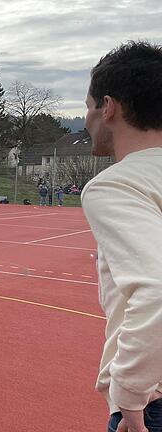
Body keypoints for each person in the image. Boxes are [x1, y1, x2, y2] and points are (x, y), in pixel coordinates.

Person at [80, 41, 162, 432]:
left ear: (108, 108)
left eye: (89, 107)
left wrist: (129, 396)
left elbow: (157, 289)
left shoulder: (116, 185)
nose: (86, 120)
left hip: (150, 403)